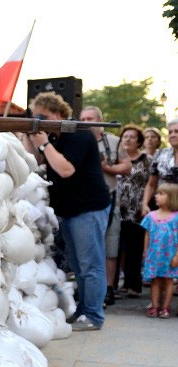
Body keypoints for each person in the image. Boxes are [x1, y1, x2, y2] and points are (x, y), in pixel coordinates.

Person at [23, 92, 110, 332]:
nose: (40, 119)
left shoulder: (78, 135)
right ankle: (84, 311)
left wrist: (43, 142)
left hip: (88, 208)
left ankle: (93, 315)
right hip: (70, 209)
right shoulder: (54, 137)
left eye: (44, 116)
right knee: (79, 265)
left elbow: (65, 169)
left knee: (90, 265)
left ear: (59, 114)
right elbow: (31, 159)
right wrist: (30, 135)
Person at [80, 106, 132, 307]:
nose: (86, 122)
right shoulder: (77, 140)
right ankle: (89, 290)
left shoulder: (112, 141)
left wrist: (107, 168)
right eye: (83, 119)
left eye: (90, 118)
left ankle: (108, 288)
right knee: (88, 249)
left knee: (110, 246)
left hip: (109, 199)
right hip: (85, 202)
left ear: (100, 121)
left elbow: (126, 166)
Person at [116, 125, 150, 298]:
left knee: (134, 249)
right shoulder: (116, 157)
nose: (127, 139)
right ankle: (114, 285)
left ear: (139, 141)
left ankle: (132, 285)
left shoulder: (147, 159)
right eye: (125, 136)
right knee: (115, 248)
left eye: (132, 137)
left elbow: (151, 183)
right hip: (116, 209)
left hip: (136, 210)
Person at [141, 183, 178, 318]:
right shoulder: (151, 216)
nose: (156, 196)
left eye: (161, 194)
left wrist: (177, 256)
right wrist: (145, 251)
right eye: (157, 193)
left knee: (169, 280)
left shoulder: (176, 217)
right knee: (155, 280)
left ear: (171, 198)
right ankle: (155, 306)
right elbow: (147, 234)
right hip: (154, 254)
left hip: (170, 255)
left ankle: (165, 307)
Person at [143, 119, 178, 216]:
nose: (173, 135)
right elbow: (151, 184)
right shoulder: (161, 154)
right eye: (170, 132)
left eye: (176, 131)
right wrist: (145, 204)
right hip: (163, 210)